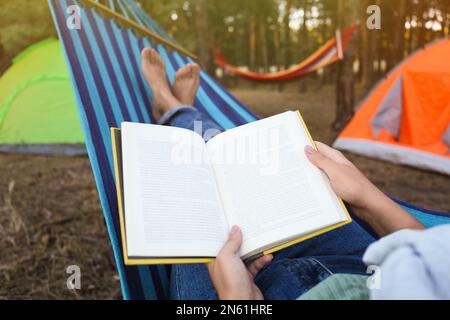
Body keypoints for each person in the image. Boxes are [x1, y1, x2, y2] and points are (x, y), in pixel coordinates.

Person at [140, 48, 450, 300]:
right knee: (232, 162)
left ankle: (172, 107)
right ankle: (178, 110)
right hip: (366, 264)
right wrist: (367, 197)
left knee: (198, 187)